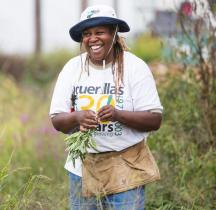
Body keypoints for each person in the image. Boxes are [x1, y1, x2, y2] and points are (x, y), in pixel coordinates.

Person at [49, 4, 163, 210]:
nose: (92, 38)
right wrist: (77, 118)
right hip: (82, 169)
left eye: (99, 32)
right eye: (87, 34)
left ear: (114, 34)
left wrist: (118, 114)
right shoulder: (72, 69)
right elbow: (57, 120)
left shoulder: (135, 68)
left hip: (127, 167)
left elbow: (154, 120)